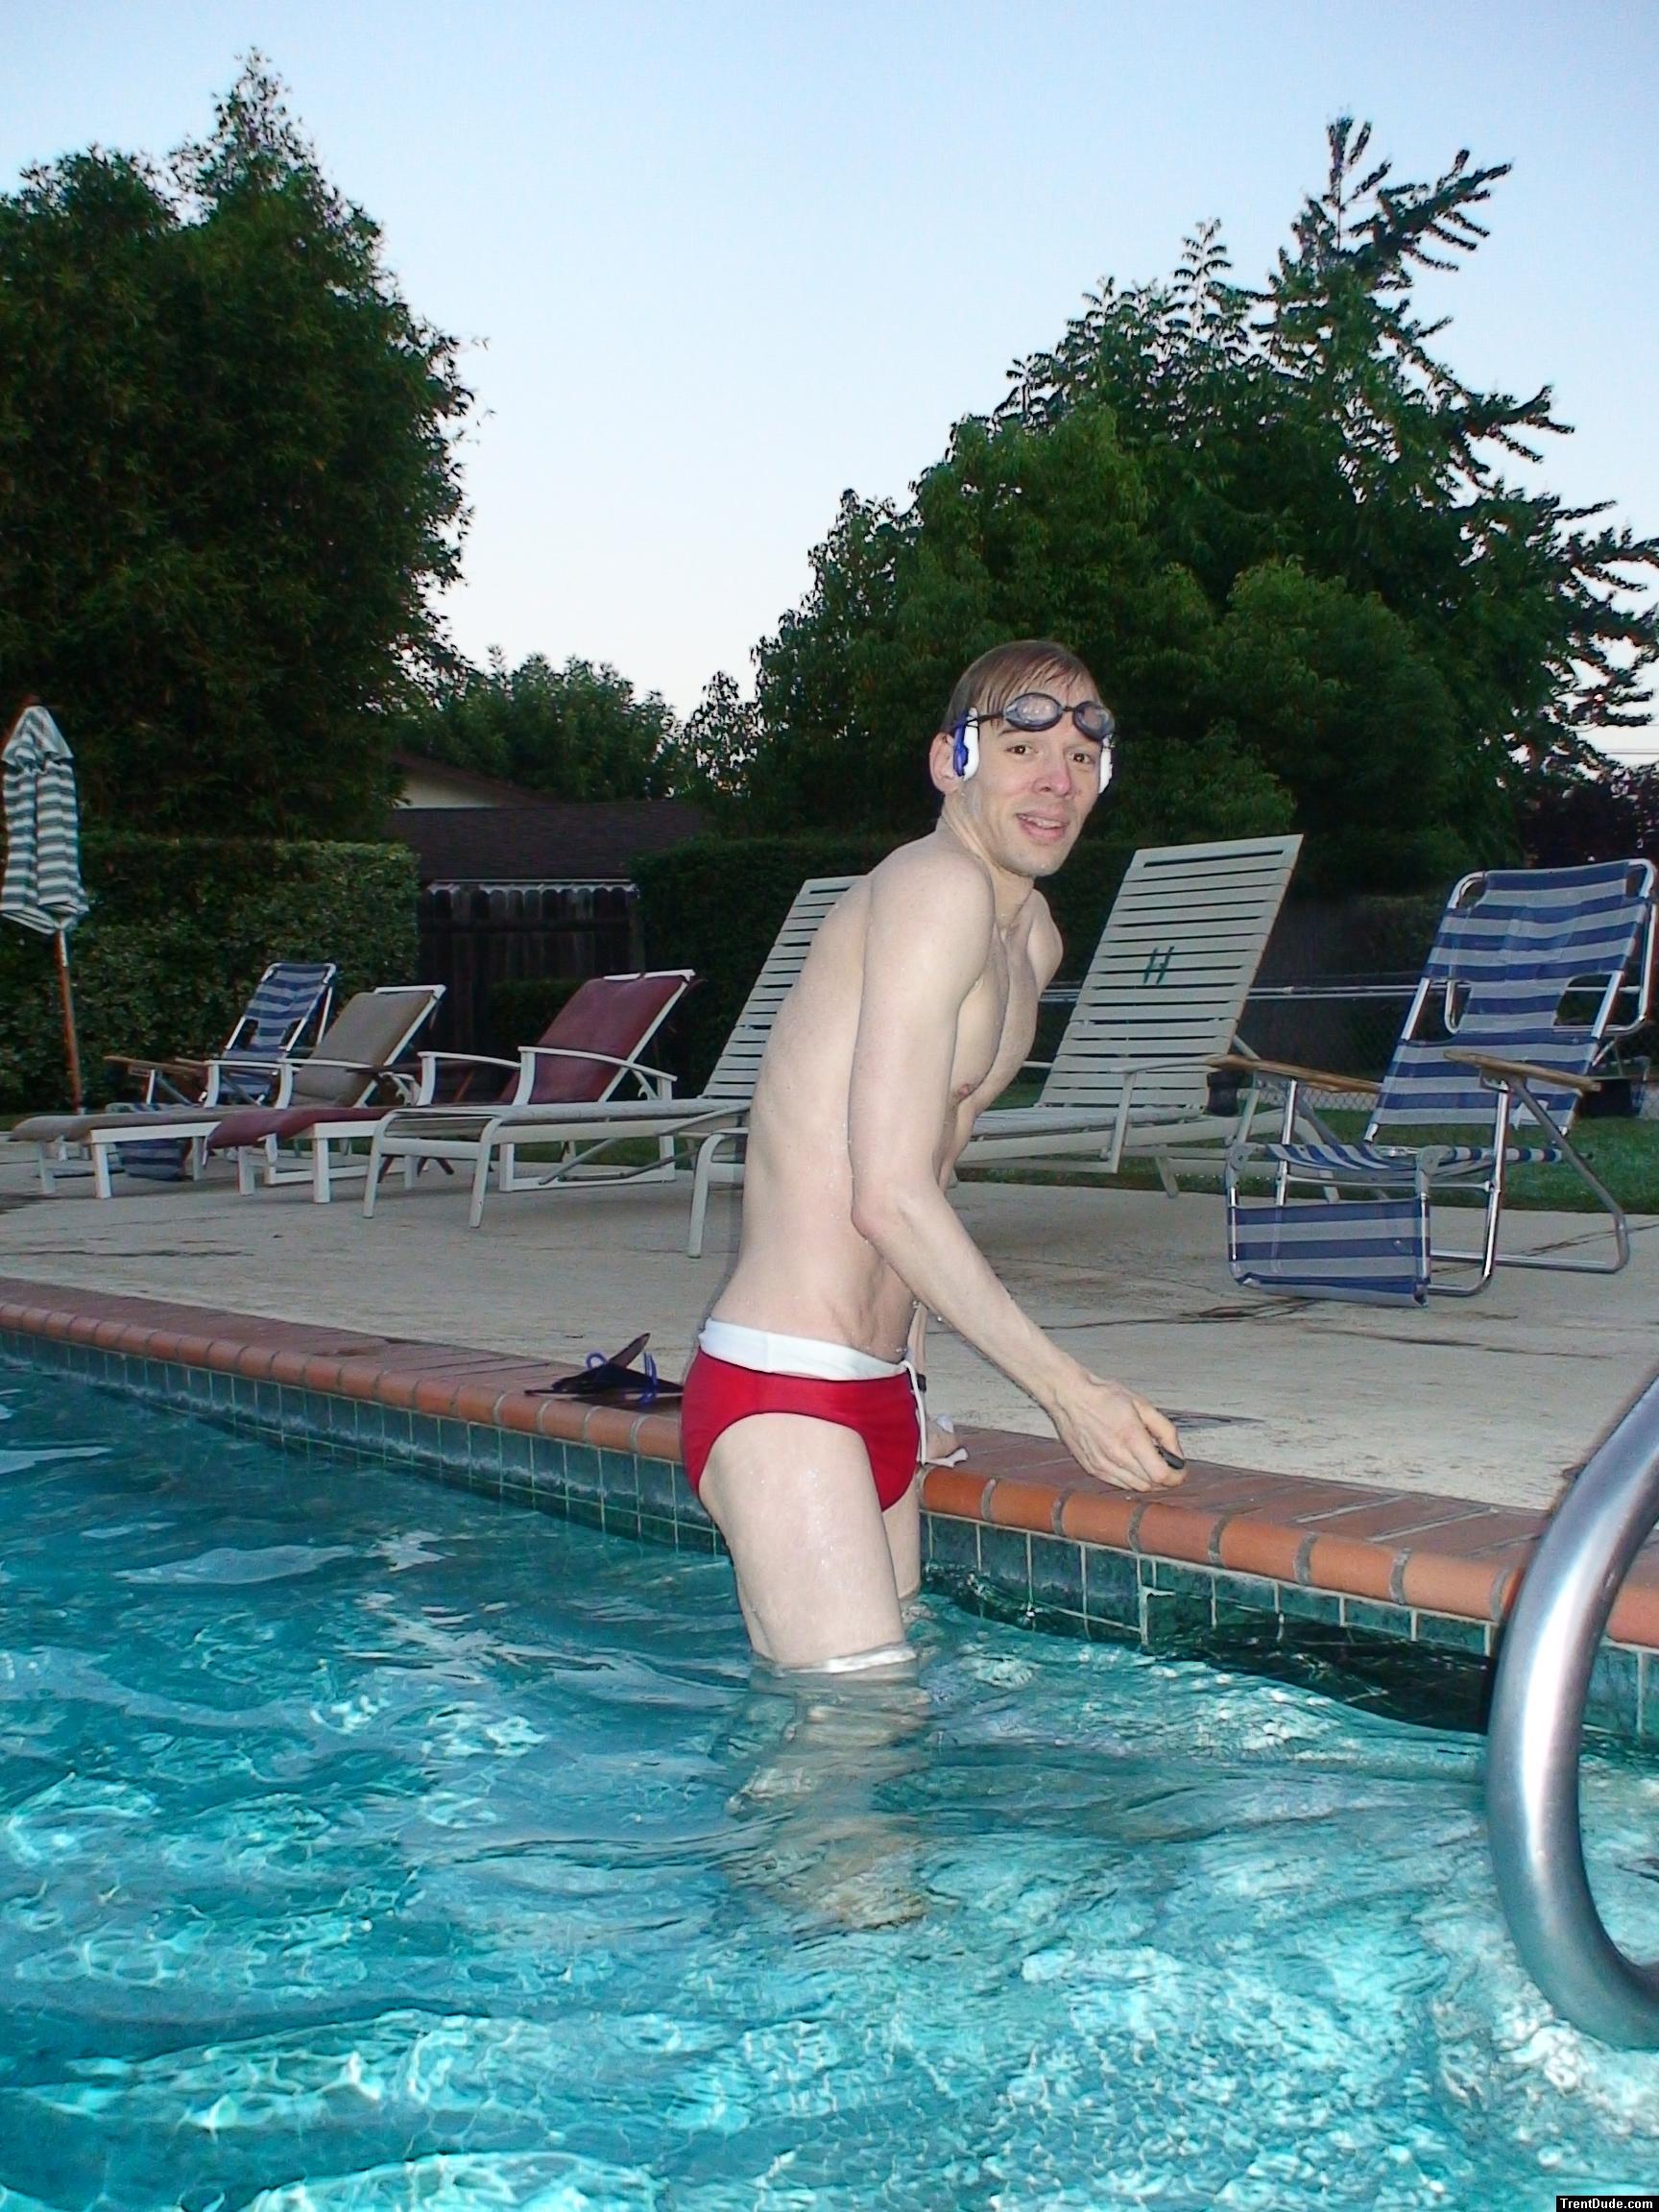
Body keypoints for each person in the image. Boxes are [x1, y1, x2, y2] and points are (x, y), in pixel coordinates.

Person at [680, 639, 1185, 1674]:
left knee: (886, 1760)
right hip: (789, 1385)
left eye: (1082, 758)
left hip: (881, 1390)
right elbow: (888, 1195)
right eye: (1022, 746)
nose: (1058, 780)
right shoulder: (931, 888)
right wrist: (1065, 1391)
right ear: (951, 762)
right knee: (849, 1753)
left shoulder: (1030, 938)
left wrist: (909, 1380)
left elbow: (933, 1155)